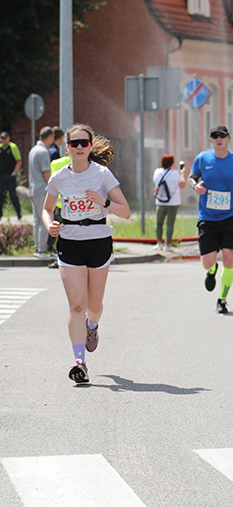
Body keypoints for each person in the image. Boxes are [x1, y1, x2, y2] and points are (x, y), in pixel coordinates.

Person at [42, 126, 131, 384]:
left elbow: (125, 211)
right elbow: (47, 209)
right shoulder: (59, 177)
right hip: (70, 242)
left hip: (98, 242)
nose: (79, 147)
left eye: (84, 143)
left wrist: (103, 203)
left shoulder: (102, 174)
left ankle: (92, 326)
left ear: (90, 146)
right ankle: (79, 361)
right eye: (74, 143)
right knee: (76, 304)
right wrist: (50, 225)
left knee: (93, 306)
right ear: (67, 147)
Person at [189, 124, 233, 315]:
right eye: (215, 136)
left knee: (230, 257)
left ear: (228, 139)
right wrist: (194, 186)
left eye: (222, 136)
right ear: (211, 140)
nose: (219, 139)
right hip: (207, 216)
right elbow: (192, 177)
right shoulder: (202, 158)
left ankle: (222, 299)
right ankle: (212, 269)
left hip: (230, 215)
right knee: (207, 261)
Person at [153, 154, 188, 252]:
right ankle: (167, 245)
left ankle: (159, 243)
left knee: (158, 223)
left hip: (160, 201)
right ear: (172, 163)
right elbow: (182, 184)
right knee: (170, 224)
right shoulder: (176, 174)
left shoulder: (157, 172)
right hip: (173, 202)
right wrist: (182, 174)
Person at [29, 127, 53, 258]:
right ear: (50, 136)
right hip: (42, 189)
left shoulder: (33, 150)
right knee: (45, 220)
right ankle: (42, 250)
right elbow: (46, 173)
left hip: (33, 189)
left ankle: (38, 248)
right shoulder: (43, 152)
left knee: (37, 221)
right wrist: (53, 187)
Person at [0, 131, 23, 220]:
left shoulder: (13, 147)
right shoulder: (0, 148)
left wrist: (14, 173)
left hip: (10, 175)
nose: (3, 140)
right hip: (1, 175)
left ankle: (18, 213)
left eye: (5, 138)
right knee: (0, 194)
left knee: (13, 195)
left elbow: (19, 160)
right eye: (2, 138)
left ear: (8, 138)